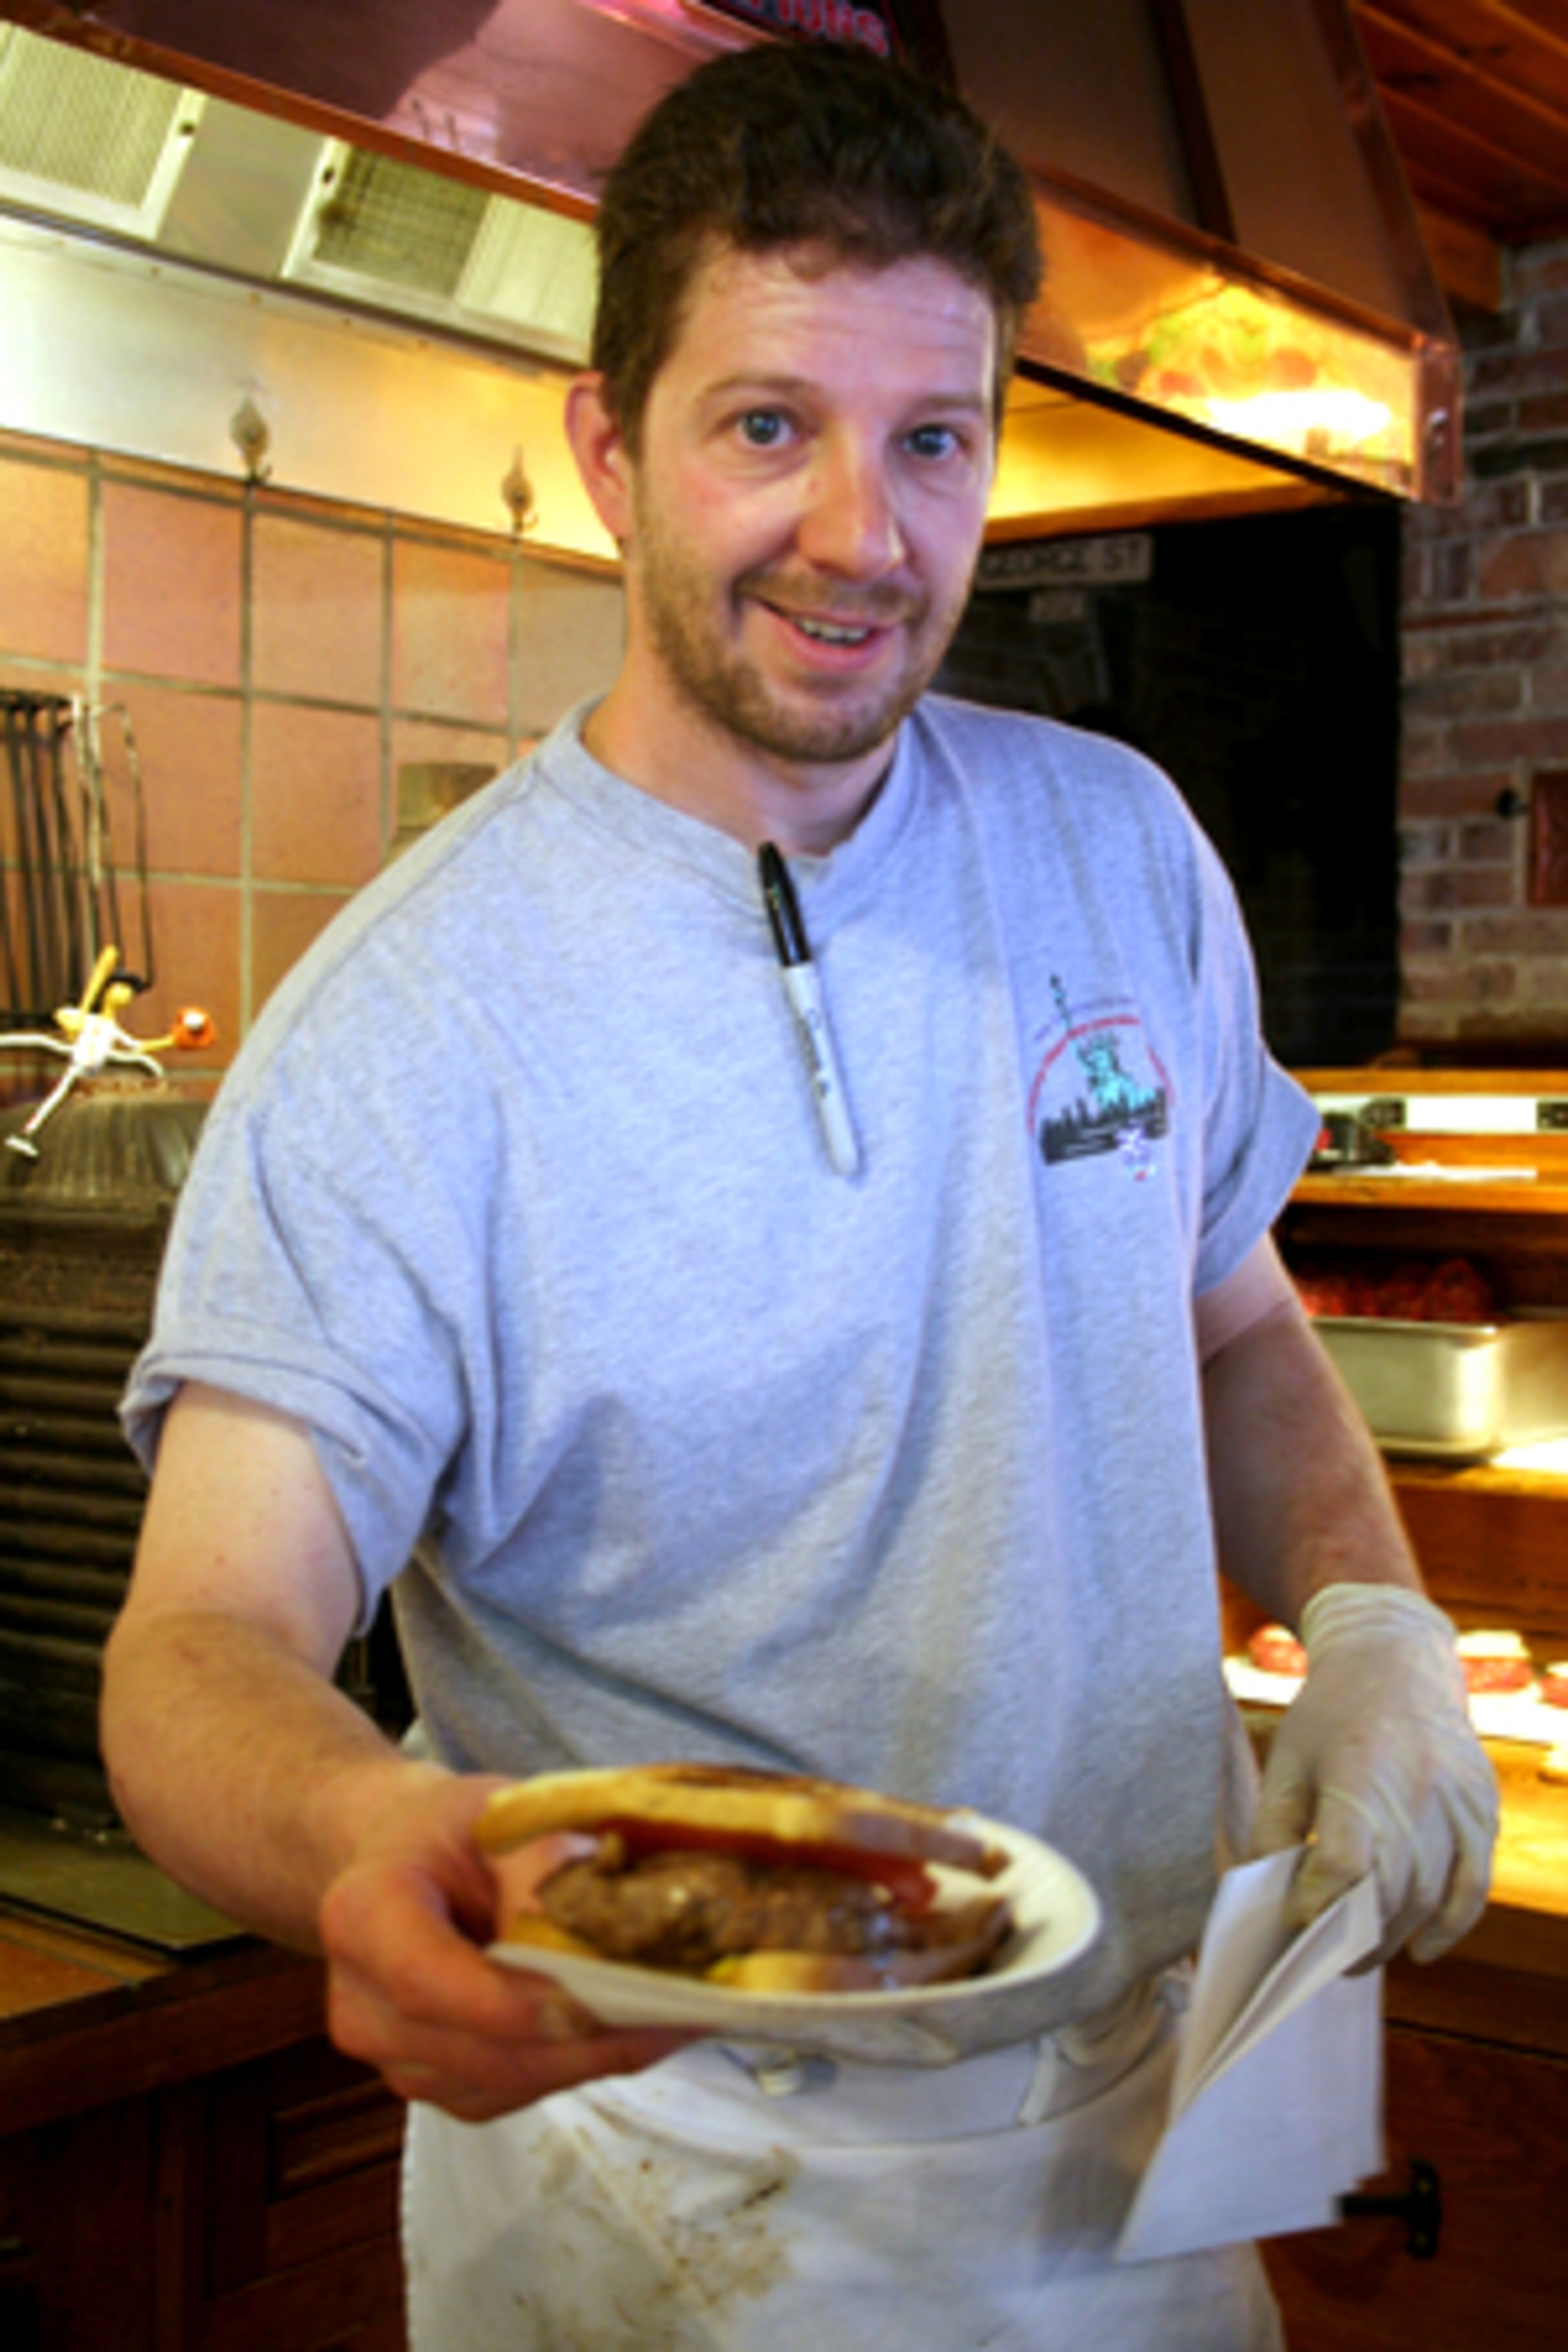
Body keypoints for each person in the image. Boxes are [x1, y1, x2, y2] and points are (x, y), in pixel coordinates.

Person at [101, 37, 1497, 2350]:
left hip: (1141, 2136)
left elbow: (1235, 1327)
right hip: (658, 2179)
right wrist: (362, 1842)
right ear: (604, 451)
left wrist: (1369, 1627)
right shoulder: (414, 1018)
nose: (866, 532)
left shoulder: (1114, 848)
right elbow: (200, 1646)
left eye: (931, 438)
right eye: (769, 426)